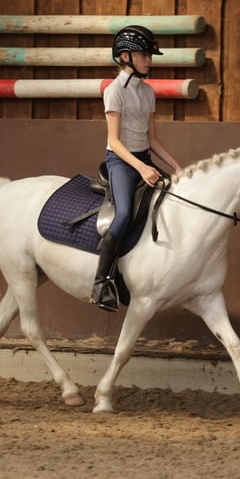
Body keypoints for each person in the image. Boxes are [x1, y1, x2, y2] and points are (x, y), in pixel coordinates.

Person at [90, 25, 184, 311]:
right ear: (126, 56)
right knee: (125, 214)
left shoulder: (147, 93)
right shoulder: (114, 91)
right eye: (144, 55)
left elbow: (152, 140)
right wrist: (142, 169)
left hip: (144, 156)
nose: (149, 61)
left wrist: (178, 168)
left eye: (150, 56)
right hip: (121, 161)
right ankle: (101, 282)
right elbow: (114, 142)